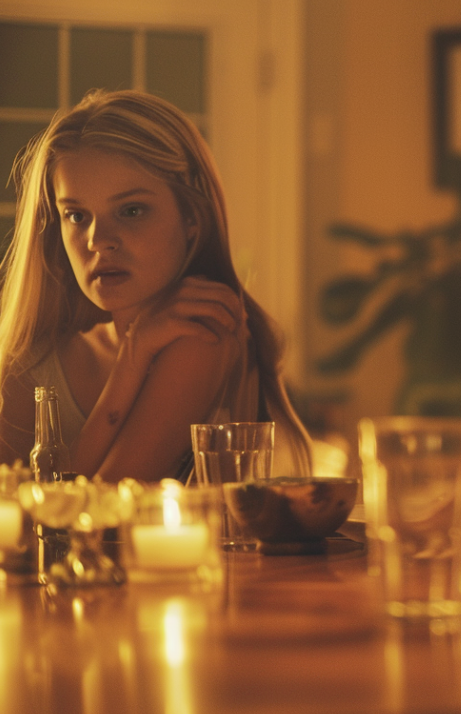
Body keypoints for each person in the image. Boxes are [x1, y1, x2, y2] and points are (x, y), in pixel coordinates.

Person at [0, 89, 310, 482]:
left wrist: (135, 355)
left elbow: (99, 509)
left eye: (131, 210)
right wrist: (134, 357)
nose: (98, 239)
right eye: (76, 215)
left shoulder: (204, 329)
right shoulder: (32, 361)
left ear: (191, 219)